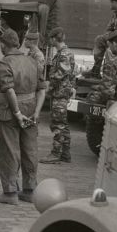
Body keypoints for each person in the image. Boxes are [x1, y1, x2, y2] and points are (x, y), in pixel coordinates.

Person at [0, 29, 47, 205]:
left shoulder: (4, 63)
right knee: (30, 150)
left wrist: (17, 113)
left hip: (11, 111)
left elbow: (9, 90)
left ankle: (10, 193)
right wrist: (36, 113)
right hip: (31, 109)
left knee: (9, 150)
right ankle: (29, 190)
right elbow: (42, 89)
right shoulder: (32, 61)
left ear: (3, 44)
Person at [40, 28, 76, 164]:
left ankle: (56, 154)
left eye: (51, 38)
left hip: (60, 93)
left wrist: (50, 87)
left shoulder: (64, 54)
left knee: (58, 124)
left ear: (55, 39)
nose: (50, 41)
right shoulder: (64, 53)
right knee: (63, 124)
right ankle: (65, 154)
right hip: (61, 93)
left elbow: (60, 74)